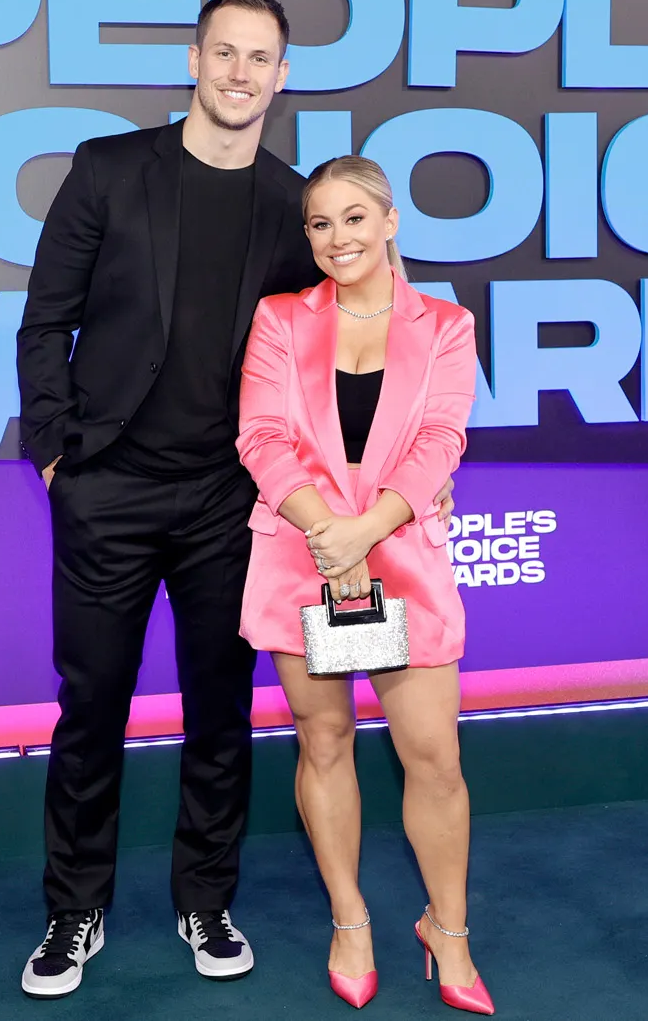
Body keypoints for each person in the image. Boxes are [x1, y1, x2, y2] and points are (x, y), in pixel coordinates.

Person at [13, 0, 453, 999]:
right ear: (194, 60)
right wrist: (55, 458)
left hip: (233, 500)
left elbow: (352, 344)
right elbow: (44, 323)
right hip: (109, 490)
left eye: (260, 59)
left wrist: (404, 483)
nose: (240, 74)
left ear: (281, 76)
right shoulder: (108, 169)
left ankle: (204, 898)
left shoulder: (292, 204)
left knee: (221, 712)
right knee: (91, 706)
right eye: (225, 54)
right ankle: (72, 908)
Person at [235, 156, 492, 1014]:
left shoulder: (446, 325)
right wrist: (325, 533)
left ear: (389, 222)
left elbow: (441, 443)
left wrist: (362, 532)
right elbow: (262, 439)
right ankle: (350, 916)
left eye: (353, 218)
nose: (336, 237)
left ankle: (446, 929)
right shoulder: (278, 320)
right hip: (300, 558)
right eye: (319, 223)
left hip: (400, 555)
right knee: (325, 743)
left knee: (435, 760)